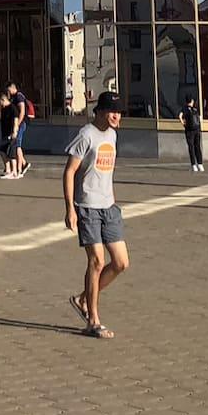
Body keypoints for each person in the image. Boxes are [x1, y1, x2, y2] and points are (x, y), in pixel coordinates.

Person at [63, 91, 128, 340]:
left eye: (119, 112)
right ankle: (93, 320)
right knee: (97, 262)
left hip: (109, 206)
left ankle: (82, 298)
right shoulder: (86, 135)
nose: (116, 116)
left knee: (121, 262)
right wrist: (70, 208)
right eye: (112, 111)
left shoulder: (112, 134)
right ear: (99, 112)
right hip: (87, 206)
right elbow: (70, 172)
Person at [0, 92, 24, 179]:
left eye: (0, 102)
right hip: (4, 133)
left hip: (11, 133)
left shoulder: (13, 108)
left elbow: (16, 120)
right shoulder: (3, 109)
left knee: (11, 153)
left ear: (3, 100)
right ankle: (8, 170)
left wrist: (15, 132)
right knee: (2, 151)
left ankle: (14, 172)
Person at [10, 84, 33, 175]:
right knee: (16, 145)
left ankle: (19, 169)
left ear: (12, 87)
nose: (8, 92)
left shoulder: (19, 97)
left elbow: (22, 112)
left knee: (17, 146)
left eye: (9, 89)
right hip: (20, 123)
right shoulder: (15, 97)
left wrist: (17, 124)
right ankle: (24, 163)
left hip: (21, 123)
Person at [181, 96, 204, 172]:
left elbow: (180, 116)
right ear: (192, 101)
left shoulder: (185, 109)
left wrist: (183, 123)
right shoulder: (195, 109)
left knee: (191, 147)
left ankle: (194, 165)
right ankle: (200, 165)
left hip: (189, 130)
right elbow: (200, 119)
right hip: (197, 130)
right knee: (197, 146)